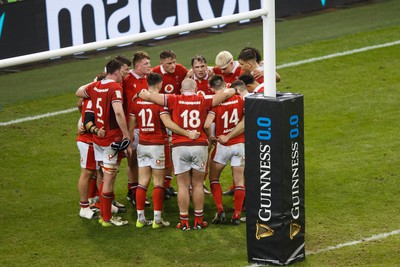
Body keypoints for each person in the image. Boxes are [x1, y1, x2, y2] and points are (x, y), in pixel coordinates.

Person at [136, 78, 237, 230]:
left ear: (182, 90)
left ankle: (184, 221)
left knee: (183, 186)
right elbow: (224, 95)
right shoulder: (204, 99)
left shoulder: (173, 99)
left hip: (179, 146)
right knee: (197, 184)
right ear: (196, 89)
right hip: (199, 145)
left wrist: (139, 93)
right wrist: (233, 90)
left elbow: (149, 96)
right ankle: (198, 220)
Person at [129, 73, 200, 229]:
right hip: (158, 145)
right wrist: (187, 132)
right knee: (159, 183)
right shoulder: (159, 102)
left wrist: (128, 142)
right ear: (160, 84)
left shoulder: (137, 100)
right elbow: (167, 123)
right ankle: (157, 219)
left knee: (142, 183)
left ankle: (140, 218)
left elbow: (131, 125)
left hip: (142, 144)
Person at [76, 59, 131, 227]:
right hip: (110, 140)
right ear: (115, 71)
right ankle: (106, 218)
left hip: (98, 140)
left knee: (102, 175)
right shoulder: (115, 88)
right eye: (123, 70)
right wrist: (126, 136)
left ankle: (103, 209)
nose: (124, 74)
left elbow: (78, 92)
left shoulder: (95, 87)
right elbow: (119, 113)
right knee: (109, 178)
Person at [204, 75, 246, 226]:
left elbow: (207, 123)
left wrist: (212, 136)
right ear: (226, 85)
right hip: (240, 145)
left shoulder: (216, 104)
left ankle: (220, 210)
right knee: (239, 181)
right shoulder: (240, 99)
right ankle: (236, 215)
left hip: (222, 146)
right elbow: (245, 121)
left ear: (211, 89)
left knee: (214, 178)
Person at [152, 49, 188, 198]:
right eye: (169, 64)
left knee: (173, 151)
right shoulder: (154, 74)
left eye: (174, 62)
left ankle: (167, 184)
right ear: (161, 63)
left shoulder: (181, 70)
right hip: (160, 117)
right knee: (165, 152)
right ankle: (162, 186)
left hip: (177, 116)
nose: (173, 66)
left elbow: (189, 79)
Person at [122, 51, 152, 206]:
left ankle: (134, 190)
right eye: (146, 63)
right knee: (133, 161)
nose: (149, 66)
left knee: (144, 162)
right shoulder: (127, 80)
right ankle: (134, 192)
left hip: (146, 126)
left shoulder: (148, 79)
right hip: (133, 127)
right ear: (138, 65)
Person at [76, 97, 105, 219]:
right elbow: (80, 105)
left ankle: (103, 203)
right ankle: (84, 207)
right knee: (87, 173)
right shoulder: (91, 98)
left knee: (101, 171)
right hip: (88, 141)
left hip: (97, 141)